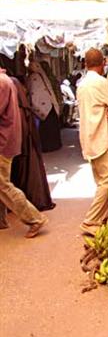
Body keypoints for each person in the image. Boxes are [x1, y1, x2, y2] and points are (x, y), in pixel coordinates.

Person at [77, 48, 108, 235]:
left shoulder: (82, 84)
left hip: (89, 140)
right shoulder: (100, 82)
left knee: (101, 182)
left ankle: (103, 218)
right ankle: (90, 221)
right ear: (103, 63)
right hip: (101, 139)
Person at [0, 68, 49, 238]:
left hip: (3, 142)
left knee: (3, 185)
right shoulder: (7, 80)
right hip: (8, 140)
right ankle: (2, 221)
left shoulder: (1, 82)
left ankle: (34, 218)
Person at [10, 74, 55, 211]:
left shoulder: (18, 109)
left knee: (4, 185)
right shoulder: (24, 110)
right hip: (21, 145)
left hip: (13, 146)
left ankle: (32, 217)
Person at [26, 58, 62, 152]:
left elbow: (33, 94)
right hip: (49, 107)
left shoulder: (34, 77)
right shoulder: (43, 76)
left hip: (44, 109)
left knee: (46, 130)